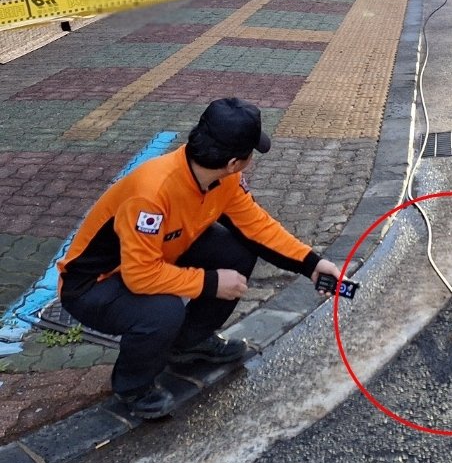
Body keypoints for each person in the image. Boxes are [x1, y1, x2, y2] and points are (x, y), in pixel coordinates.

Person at [57, 98, 342, 419]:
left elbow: (256, 227)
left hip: (156, 254)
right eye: (251, 153)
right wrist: (209, 282)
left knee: (236, 251)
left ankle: (189, 344)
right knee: (162, 312)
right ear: (235, 161)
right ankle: (133, 387)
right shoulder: (152, 192)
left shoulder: (223, 179)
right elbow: (139, 276)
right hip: (93, 285)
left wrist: (312, 264)